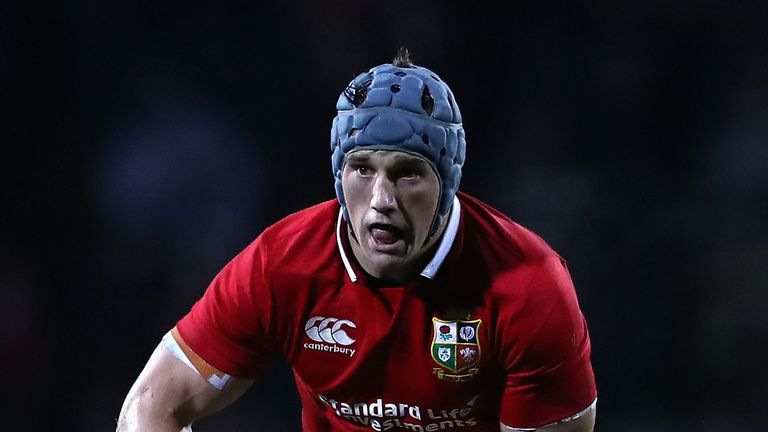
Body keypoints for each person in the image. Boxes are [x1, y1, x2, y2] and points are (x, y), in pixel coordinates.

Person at [117, 48, 597, 432]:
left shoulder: (528, 287)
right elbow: (151, 405)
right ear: (338, 175)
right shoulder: (278, 266)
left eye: (408, 174)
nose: (382, 198)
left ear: (448, 185)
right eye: (363, 169)